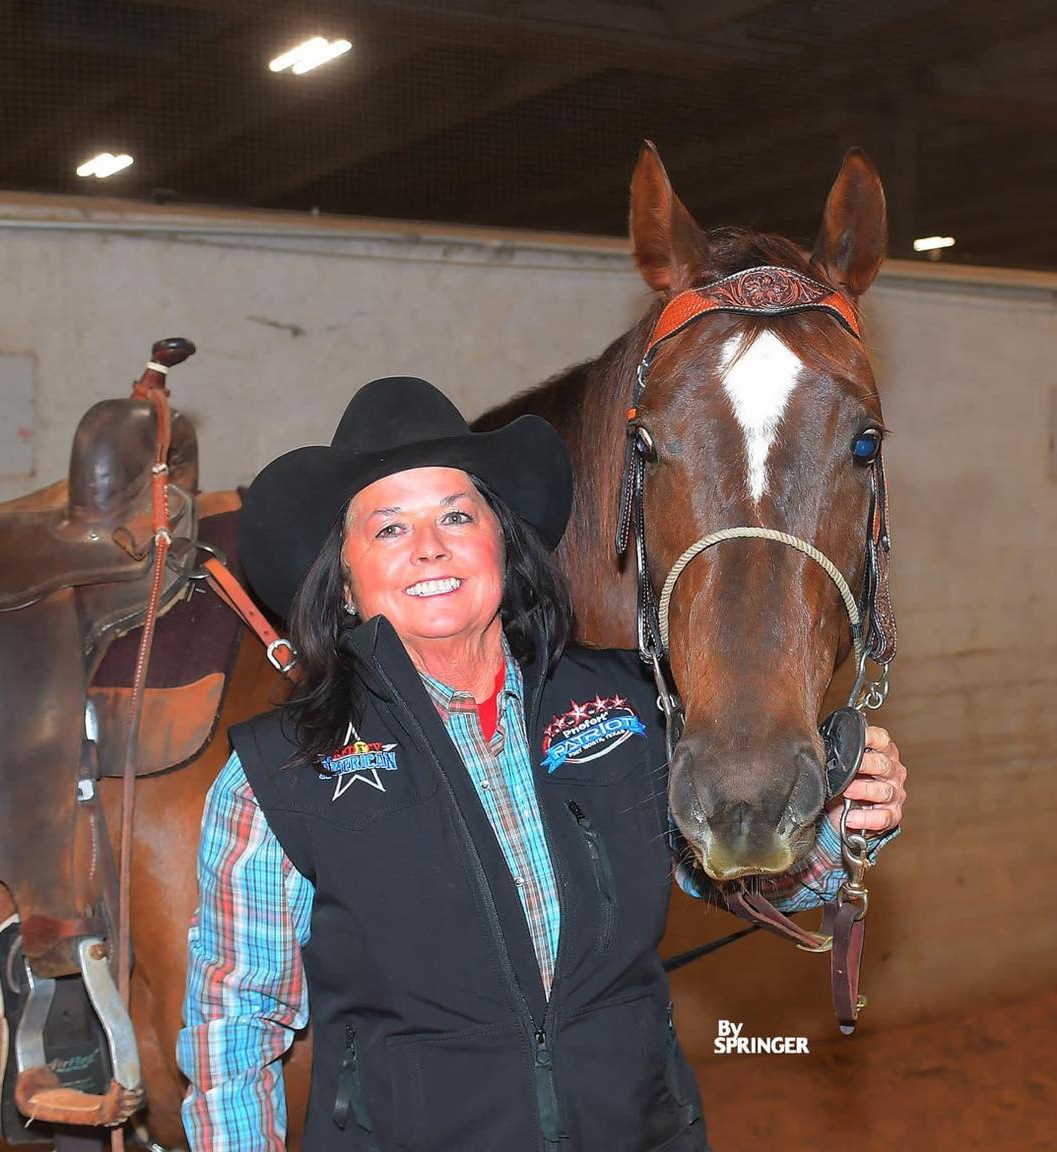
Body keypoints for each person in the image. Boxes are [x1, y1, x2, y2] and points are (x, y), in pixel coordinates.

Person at [178, 376, 906, 1151]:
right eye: (389, 529)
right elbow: (234, 1031)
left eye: (457, 514)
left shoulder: (629, 709)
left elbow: (745, 872)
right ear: (347, 582)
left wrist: (842, 821)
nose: (430, 547)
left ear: (502, 542)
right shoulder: (276, 778)